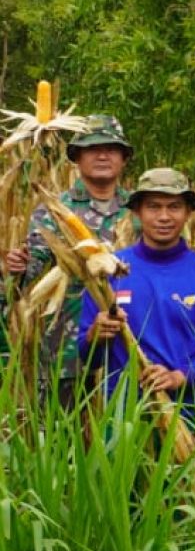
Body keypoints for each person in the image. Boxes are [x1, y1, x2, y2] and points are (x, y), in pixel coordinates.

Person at [79, 168, 195, 428]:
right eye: (153, 207)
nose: (164, 217)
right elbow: (87, 356)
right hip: (126, 418)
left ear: (188, 213)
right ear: (137, 211)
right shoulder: (109, 270)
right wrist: (96, 333)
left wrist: (179, 377)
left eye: (174, 207)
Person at [3, 113, 134, 406]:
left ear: (123, 158)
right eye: (92, 148)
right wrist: (20, 268)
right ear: (77, 157)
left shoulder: (140, 210)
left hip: (128, 342)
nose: (102, 154)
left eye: (111, 148)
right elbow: (33, 266)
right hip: (67, 347)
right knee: (66, 436)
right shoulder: (55, 210)